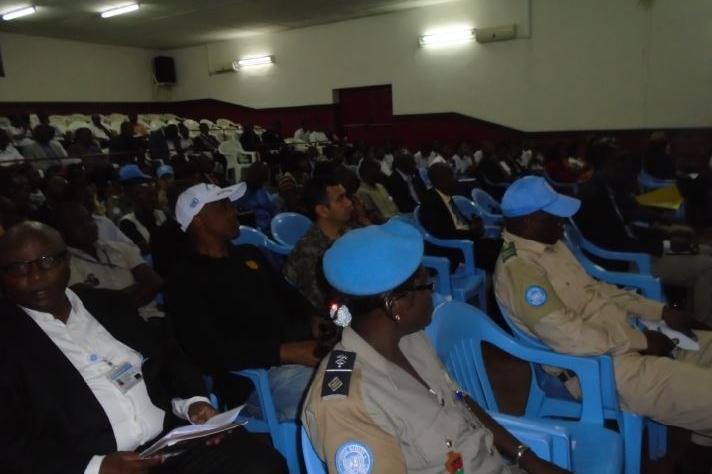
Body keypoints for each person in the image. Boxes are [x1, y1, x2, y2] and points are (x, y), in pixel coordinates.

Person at [0, 221, 288, 474]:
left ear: (67, 261)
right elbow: (10, 444)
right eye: (18, 268)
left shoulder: (109, 305)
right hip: (92, 463)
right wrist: (96, 467)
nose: (35, 276)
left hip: (170, 444)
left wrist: (194, 404)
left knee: (261, 464)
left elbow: (171, 358)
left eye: (46, 261)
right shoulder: (9, 341)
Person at [302, 220, 567, 474]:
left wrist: (527, 459)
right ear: (397, 306)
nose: (434, 293)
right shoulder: (347, 404)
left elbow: (458, 398)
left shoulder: (409, 339)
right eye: (427, 286)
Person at [494, 176, 712, 455]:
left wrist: (659, 311)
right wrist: (642, 341)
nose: (562, 223)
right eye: (555, 217)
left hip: (624, 337)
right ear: (529, 222)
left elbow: (597, 290)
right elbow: (572, 339)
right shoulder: (520, 272)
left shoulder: (550, 245)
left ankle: (701, 440)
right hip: (599, 367)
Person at [165, 182, 319, 414]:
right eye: (223, 208)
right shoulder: (185, 278)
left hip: (298, 355)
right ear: (199, 221)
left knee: (361, 373)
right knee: (338, 392)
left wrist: (315, 318)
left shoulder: (249, 255)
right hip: (254, 381)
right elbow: (207, 351)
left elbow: (291, 298)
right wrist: (286, 352)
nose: (233, 212)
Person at [576, 150, 712, 325]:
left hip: (637, 252)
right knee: (707, 266)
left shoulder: (605, 188)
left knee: (706, 251)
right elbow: (615, 243)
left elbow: (626, 229)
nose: (635, 178)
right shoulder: (594, 196)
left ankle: (692, 315)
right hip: (629, 261)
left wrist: (666, 238)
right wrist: (664, 244)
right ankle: (703, 324)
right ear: (608, 166)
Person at [53, 201, 165, 321]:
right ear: (61, 232)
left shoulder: (121, 248)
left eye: (90, 219)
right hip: (112, 327)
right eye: (79, 223)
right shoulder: (64, 265)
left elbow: (154, 282)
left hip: (152, 317)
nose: (89, 226)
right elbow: (90, 303)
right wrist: (135, 289)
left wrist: (113, 302)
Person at [283, 175, 354, 312]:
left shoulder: (350, 232)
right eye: (340, 199)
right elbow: (325, 306)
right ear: (323, 210)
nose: (349, 203)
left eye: (346, 196)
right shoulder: (309, 252)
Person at [419, 163, 502, 272]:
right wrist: (472, 232)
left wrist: (472, 224)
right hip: (453, 251)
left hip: (465, 241)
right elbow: (444, 234)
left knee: (502, 245)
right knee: (496, 254)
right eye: (450, 176)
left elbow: (458, 223)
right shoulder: (430, 204)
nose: (455, 180)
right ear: (439, 181)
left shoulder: (444, 196)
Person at [119, 180, 167, 256]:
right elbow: (144, 249)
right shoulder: (127, 222)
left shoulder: (161, 214)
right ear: (136, 199)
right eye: (149, 196)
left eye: (155, 196)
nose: (153, 199)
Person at [233, 161, 276, 233]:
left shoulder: (260, 190)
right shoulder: (239, 192)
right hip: (254, 229)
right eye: (260, 180)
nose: (262, 184)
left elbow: (270, 209)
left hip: (267, 226)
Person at [356, 158, 399, 223]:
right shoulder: (362, 192)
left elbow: (392, 204)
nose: (379, 173)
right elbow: (374, 217)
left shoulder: (380, 186)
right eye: (376, 170)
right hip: (387, 223)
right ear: (368, 172)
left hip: (396, 217)